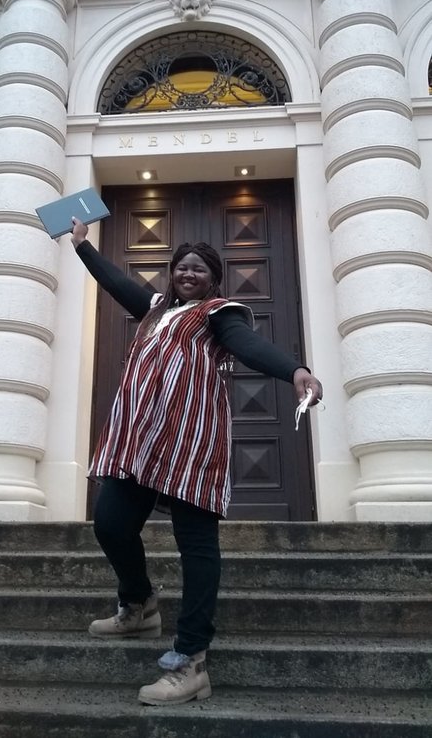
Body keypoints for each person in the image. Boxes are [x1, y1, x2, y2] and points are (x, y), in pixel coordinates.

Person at [71, 216, 323, 706]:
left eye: (199, 269)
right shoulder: (155, 308)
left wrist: (295, 370)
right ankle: (139, 603)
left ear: (213, 280)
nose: (188, 273)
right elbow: (117, 281)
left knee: (197, 548)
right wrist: (83, 247)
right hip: (139, 443)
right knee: (110, 524)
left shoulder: (217, 314)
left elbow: (249, 345)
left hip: (192, 445)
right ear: (172, 274)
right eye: (182, 267)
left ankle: (191, 661)